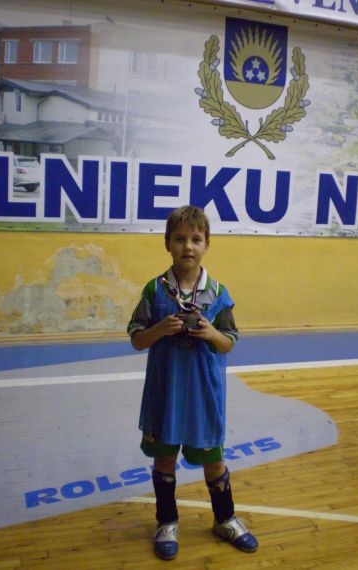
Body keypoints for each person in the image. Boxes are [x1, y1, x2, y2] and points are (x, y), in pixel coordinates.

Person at [127, 205, 258, 560]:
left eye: (196, 239)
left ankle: (225, 518)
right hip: (165, 393)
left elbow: (228, 342)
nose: (188, 246)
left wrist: (211, 332)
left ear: (207, 245)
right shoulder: (155, 290)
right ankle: (166, 522)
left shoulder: (218, 292)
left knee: (213, 460)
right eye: (180, 239)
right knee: (164, 459)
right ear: (167, 243)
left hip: (204, 394)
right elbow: (137, 339)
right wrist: (160, 329)